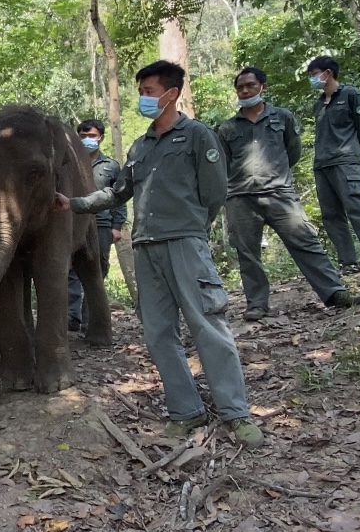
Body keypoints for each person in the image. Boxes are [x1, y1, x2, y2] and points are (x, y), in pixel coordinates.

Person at [54, 60, 263, 449]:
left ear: (172, 93)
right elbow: (118, 193)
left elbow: (215, 193)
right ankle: (186, 411)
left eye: (148, 92)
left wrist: (190, 227)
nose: (143, 99)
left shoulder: (199, 136)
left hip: (186, 244)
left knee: (208, 326)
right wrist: (74, 202)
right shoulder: (140, 146)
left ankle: (236, 413)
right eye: (141, 92)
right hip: (146, 248)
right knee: (159, 332)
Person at [219, 67, 360, 321]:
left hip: (280, 193)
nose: (245, 91)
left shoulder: (282, 117)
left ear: (262, 87)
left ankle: (334, 293)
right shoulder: (227, 128)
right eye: (240, 87)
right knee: (247, 253)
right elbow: (223, 163)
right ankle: (257, 304)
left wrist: (275, 174)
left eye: (250, 85)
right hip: (241, 197)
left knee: (306, 242)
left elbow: (293, 152)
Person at [307, 56, 360, 274]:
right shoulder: (319, 104)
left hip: (346, 162)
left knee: (356, 208)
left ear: (328, 73)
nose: (313, 79)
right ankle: (348, 262)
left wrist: (355, 154)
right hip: (322, 164)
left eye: (315, 74)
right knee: (331, 214)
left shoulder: (351, 95)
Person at [67, 119, 127, 332]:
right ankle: (71, 318)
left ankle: (89, 320)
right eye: (82, 136)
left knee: (96, 270)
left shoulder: (111, 166)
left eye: (91, 136)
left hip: (101, 223)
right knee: (70, 270)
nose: (87, 140)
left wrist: (117, 226)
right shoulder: (69, 164)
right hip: (72, 221)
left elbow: (119, 196)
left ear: (101, 137)